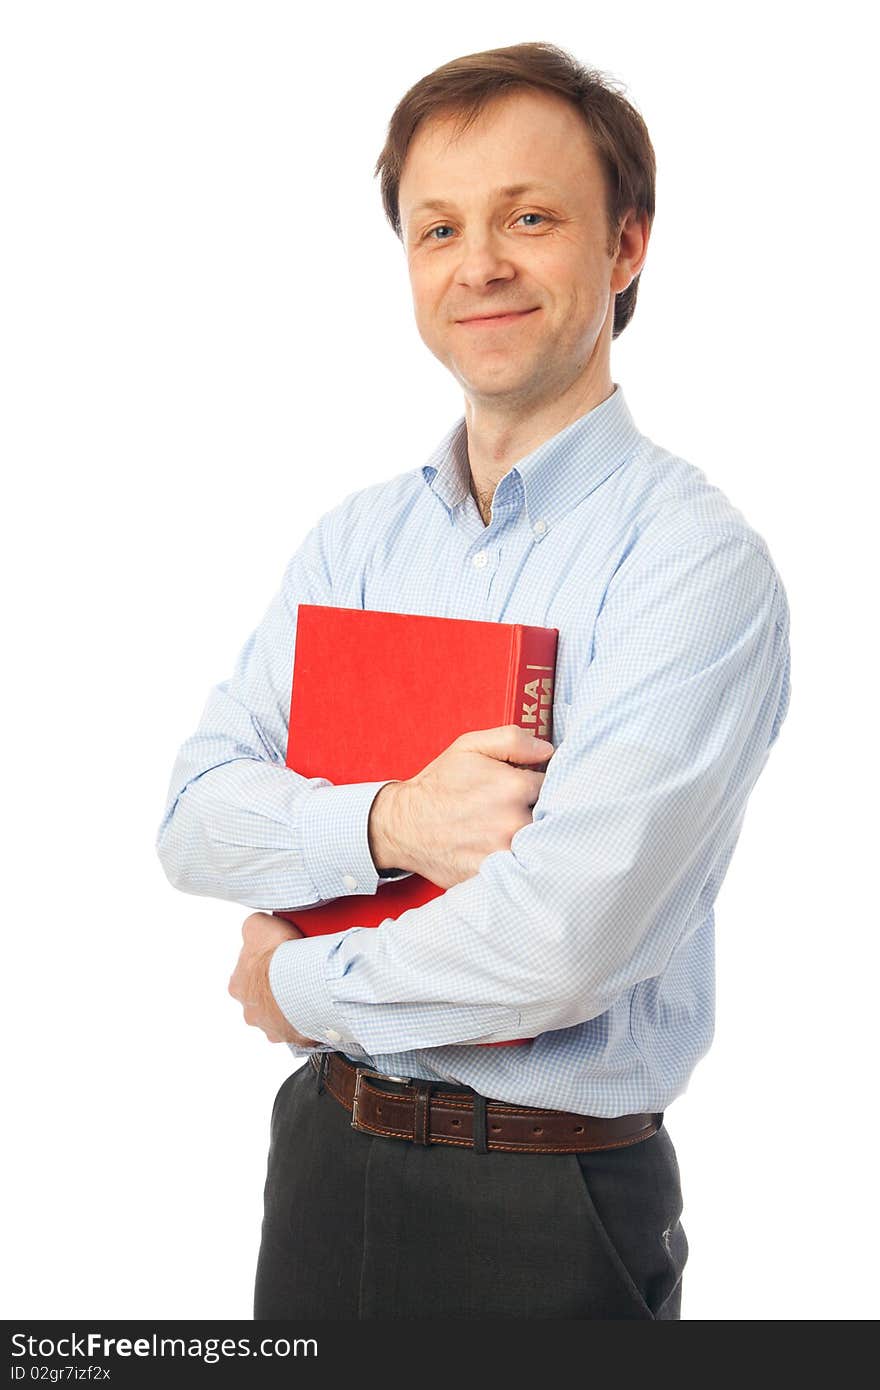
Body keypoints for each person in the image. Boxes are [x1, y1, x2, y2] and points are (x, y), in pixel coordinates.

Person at [156, 41, 791, 1321]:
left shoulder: (690, 563)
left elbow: (559, 946)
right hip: (322, 1161)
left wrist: (292, 982)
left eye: (529, 217)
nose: (478, 264)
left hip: (545, 1208)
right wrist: (388, 820)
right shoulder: (355, 543)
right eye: (437, 228)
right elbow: (194, 818)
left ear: (624, 250)